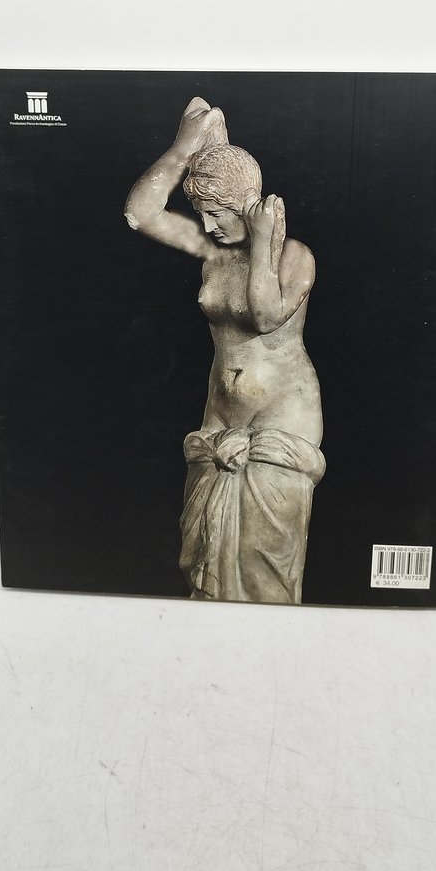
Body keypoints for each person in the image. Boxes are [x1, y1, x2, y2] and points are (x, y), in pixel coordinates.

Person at [124, 97, 325, 604]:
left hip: (282, 414)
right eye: (202, 215)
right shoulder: (212, 250)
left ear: (246, 206)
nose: (209, 226)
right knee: (203, 556)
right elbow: (140, 214)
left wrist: (263, 240)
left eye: (217, 214)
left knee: (262, 563)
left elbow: (265, 316)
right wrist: (183, 147)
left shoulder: (295, 256)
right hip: (219, 413)